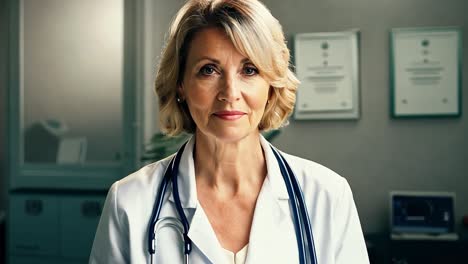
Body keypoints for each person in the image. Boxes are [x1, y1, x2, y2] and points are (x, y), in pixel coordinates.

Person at [89, 0, 369, 263]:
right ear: (180, 85)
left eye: (249, 70)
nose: (230, 93)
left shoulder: (327, 197)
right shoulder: (130, 202)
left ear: (271, 85)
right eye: (208, 70)